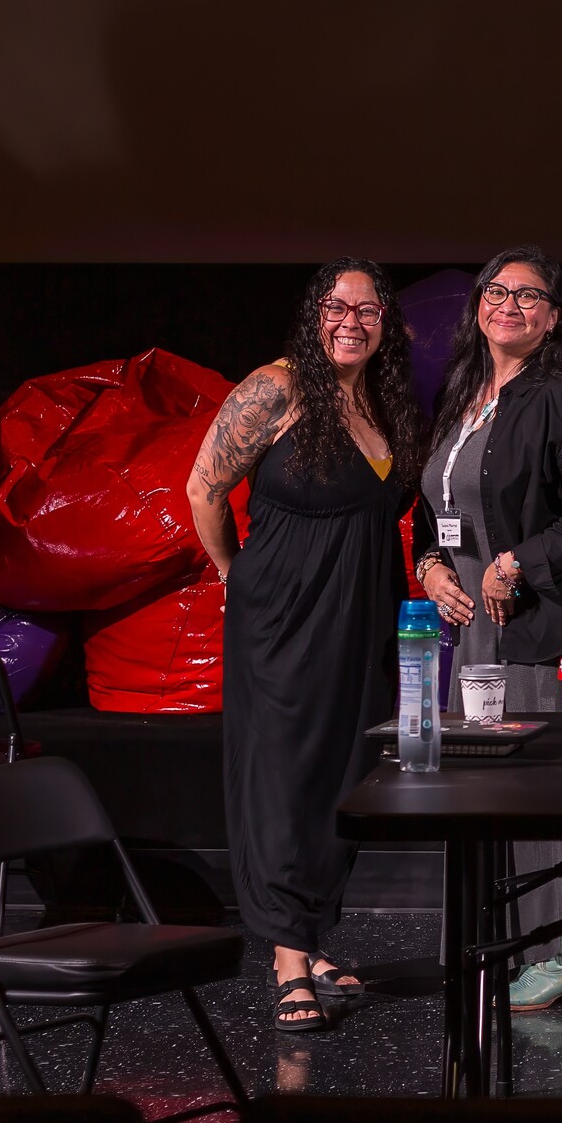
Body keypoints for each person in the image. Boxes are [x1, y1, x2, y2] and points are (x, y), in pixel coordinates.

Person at [188, 258, 424, 1034]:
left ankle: (311, 934)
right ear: (312, 315)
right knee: (285, 773)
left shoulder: (383, 401)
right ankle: (288, 958)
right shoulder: (277, 387)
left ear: (386, 322)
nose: (350, 319)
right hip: (283, 613)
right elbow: (203, 488)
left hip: (360, 614)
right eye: (335, 306)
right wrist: (234, 572)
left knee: (341, 772)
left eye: (367, 307)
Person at [412, 246, 562, 1012]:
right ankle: (524, 943)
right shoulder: (466, 391)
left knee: (555, 789)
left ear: (553, 317)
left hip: (555, 621)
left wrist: (512, 564)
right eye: (496, 290)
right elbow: (435, 507)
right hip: (481, 627)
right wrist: (429, 565)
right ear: (477, 303)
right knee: (502, 789)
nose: (509, 305)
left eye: (529, 295)